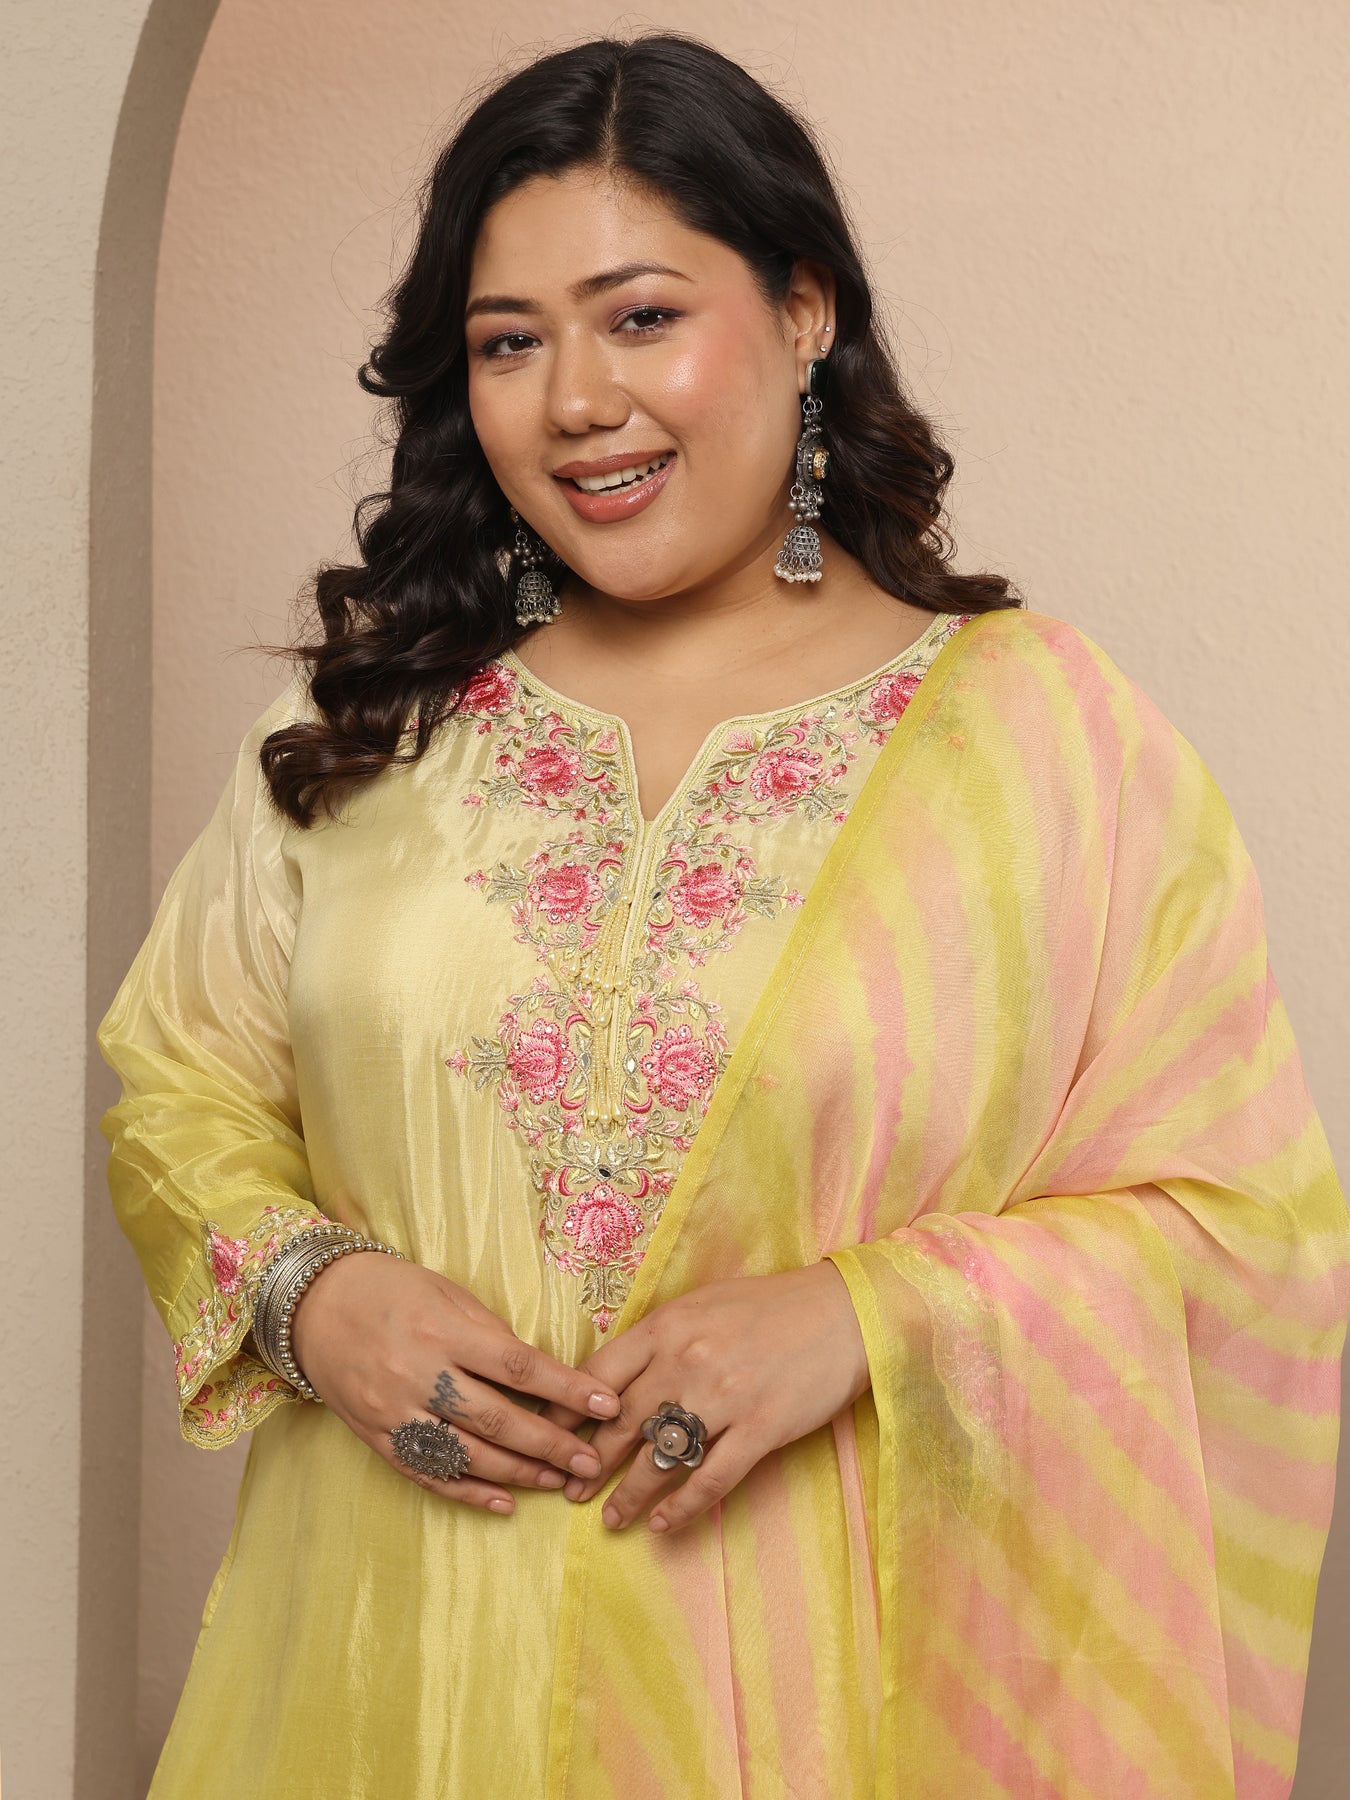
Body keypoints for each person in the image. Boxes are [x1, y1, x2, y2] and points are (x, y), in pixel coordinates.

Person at [97, 31, 1348, 1800]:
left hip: (837, 1703)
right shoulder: (365, 729)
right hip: (389, 1680)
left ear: (803, 310)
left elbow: (1247, 1233)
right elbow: (180, 1087)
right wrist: (314, 1296)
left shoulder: (1045, 743)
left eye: (640, 317)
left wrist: (870, 1320)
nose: (575, 400)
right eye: (508, 342)